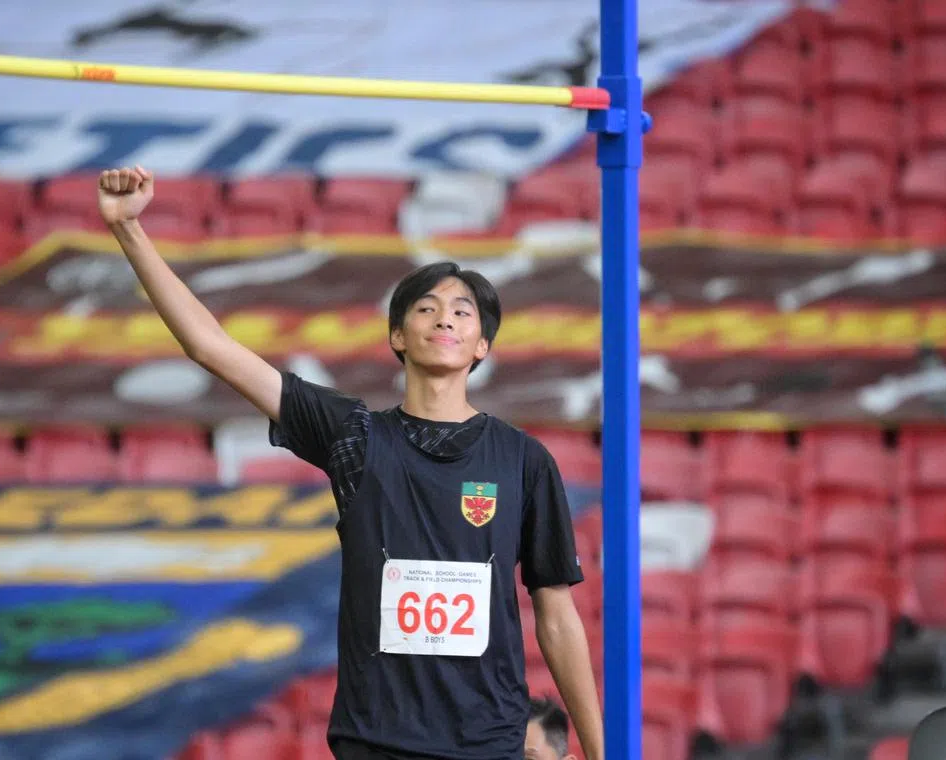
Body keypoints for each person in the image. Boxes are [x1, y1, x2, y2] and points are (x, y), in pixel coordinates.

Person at [97, 166, 604, 760]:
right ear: (397, 335)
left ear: (482, 345)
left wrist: (599, 752)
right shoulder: (356, 437)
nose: (445, 318)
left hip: (488, 743)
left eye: (463, 312)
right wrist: (130, 230)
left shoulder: (523, 460)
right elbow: (211, 348)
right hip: (376, 741)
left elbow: (557, 617)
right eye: (427, 308)